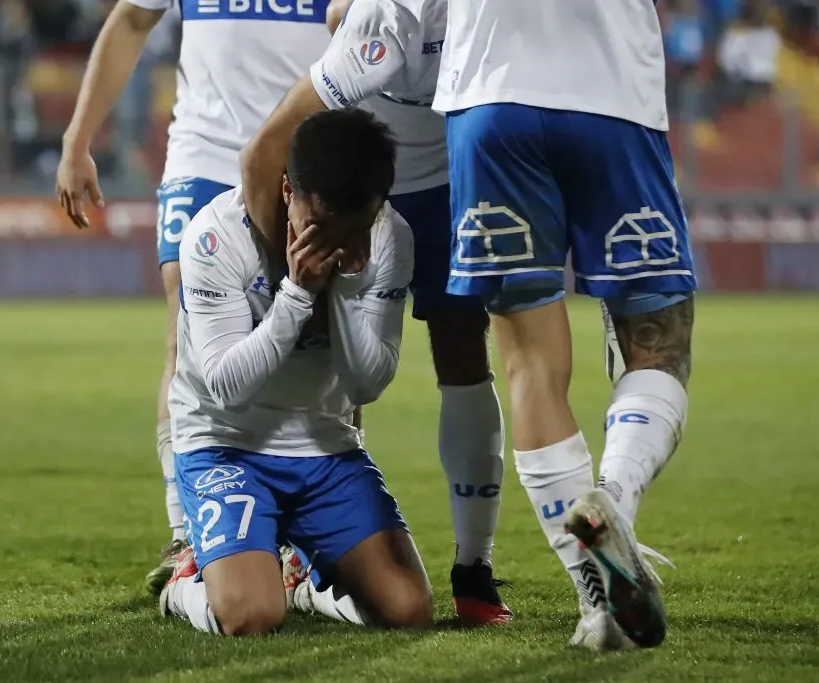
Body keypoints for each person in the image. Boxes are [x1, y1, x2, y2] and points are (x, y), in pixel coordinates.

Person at [433, 1, 696, 651]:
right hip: (613, 98)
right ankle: (615, 500)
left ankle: (597, 604)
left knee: (529, 366)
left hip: (490, 99)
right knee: (658, 347)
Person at [238, 0, 510, 626]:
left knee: (465, 354)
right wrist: (289, 289)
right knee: (335, 375)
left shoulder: (504, 18)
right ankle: (310, 551)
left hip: (453, 186)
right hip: (363, 199)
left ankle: (475, 569)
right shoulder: (380, 27)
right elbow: (263, 153)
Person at [54, 0, 333, 593]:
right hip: (205, 156)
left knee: (324, 337)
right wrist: (77, 139)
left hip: (306, 153)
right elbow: (131, 19)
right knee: (186, 344)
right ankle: (187, 530)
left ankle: (310, 537)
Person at [159, 108, 433, 636]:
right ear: (289, 189)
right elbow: (226, 388)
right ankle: (184, 585)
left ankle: (307, 580)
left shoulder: (389, 237)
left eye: (355, 228)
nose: (335, 244)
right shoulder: (217, 236)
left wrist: (349, 289)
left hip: (325, 446)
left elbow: (366, 385)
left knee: (408, 611)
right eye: (321, 226)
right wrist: (299, 295)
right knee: (252, 615)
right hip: (225, 443)